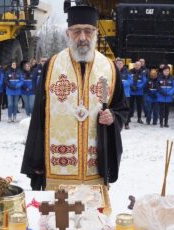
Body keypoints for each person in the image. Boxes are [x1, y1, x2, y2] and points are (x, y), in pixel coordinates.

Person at [21, 5, 129, 190]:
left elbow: (121, 108)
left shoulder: (108, 68)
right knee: (58, 217)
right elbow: (39, 115)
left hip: (94, 168)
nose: (82, 38)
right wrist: (36, 161)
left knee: (93, 217)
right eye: (76, 31)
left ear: (95, 33)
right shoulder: (52, 66)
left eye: (88, 31)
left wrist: (113, 117)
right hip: (57, 169)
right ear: (67, 33)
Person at [116, 58, 132, 129]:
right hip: (117, 94)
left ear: (123, 64)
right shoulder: (114, 71)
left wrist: (121, 83)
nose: (119, 65)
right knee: (117, 109)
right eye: (118, 63)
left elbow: (130, 81)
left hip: (126, 94)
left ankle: (127, 123)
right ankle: (118, 122)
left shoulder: (127, 72)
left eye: (120, 63)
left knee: (126, 109)